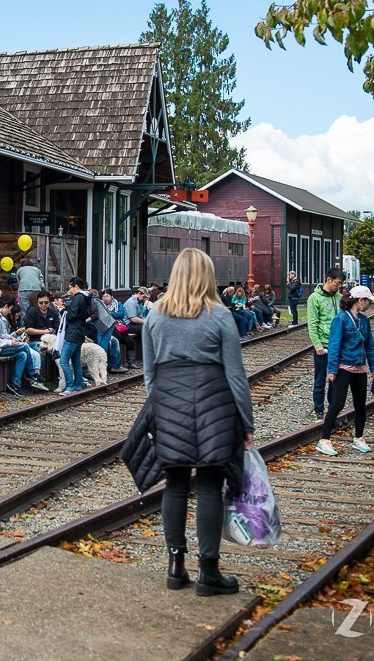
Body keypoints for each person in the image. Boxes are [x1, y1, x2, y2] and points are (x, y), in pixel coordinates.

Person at [141, 248, 254, 597]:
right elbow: (236, 375)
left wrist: (157, 411)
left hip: (168, 401)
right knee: (208, 485)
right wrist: (246, 422)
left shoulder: (155, 316)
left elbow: (149, 374)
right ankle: (209, 571)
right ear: (208, 276)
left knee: (174, 483)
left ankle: (176, 567)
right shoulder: (220, 316)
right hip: (214, 405)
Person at [317, 285, 374, 457]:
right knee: (337, 403)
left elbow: (370, 345)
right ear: (361, 301)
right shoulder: (341, 319)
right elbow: (334, 344)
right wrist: (332, 369)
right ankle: (324, 440)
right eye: (368, 301)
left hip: (360, 367)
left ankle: (359, 437)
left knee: (360, 405)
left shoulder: (365, 321)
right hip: (343, 366)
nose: (369, 304)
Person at [0, 294, 44, 396]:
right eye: (10, 309)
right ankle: (32, 374)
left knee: (23, 355)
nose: (10, 312)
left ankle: (15, 384)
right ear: (5, 306)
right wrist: (10, 343)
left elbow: (0, 334)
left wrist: (10, 337)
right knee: (25, 346)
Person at [306, 267, 346, 421]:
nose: (339, 286)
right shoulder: (314, 298)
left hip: (338, 345)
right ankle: (319, 409)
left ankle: (332, 408)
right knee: (320, 378)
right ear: (329, 280)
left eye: (341, 284)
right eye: (337, 283)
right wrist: (317, 345)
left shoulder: (339, 297)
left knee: (335, 378)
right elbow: (313, 323)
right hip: (323, 345)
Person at [59, 277, 91, 394]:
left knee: (63, 361)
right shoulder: (86, 297)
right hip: (80, 332)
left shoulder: (78, 298)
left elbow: (72, 315)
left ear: (76, 287)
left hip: (73, 333)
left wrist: (63, 311)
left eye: (70, 288)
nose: (70, 291)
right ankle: (78, 385)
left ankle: (70, 386)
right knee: (76, 361)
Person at [122, 286, 148, 367]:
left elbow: (140, 317)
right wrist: (147, 322)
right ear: (139, 294)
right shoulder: (131, 302)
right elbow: (133, 319)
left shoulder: (139, 302)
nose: (145, 299)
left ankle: (145, 356)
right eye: (144, 297)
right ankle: (145, 357)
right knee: (145, 329)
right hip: (128, 324)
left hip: (135, 324)